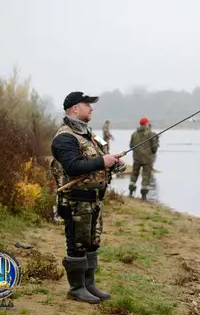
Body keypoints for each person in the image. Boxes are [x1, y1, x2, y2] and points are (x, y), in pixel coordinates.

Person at [50, 91, 124, 304]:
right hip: (75, 201)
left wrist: (112, 162)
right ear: (75, 108)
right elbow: (73, 167)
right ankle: (76, 288)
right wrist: (103, 162)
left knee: (92, 243)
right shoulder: (65, 137)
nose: (91, 108)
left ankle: (89, 285)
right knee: (76, 244)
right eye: (87, 104)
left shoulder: (87, 134)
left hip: (93, 200)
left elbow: (96, 161)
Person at [128, 117, 159, 200]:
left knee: (134, 175)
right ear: (146, 124)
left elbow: (131, 146)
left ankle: (131, 193)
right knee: (146, 177)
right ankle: (144, 197)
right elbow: (154, 148)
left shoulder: (134, 134)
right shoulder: (151, 134)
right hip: (147, 160)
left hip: (136, 159)